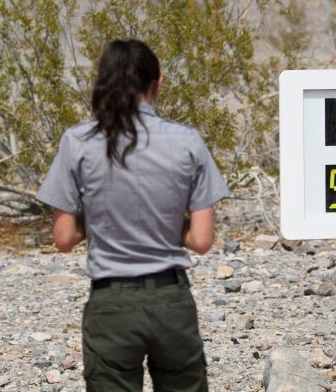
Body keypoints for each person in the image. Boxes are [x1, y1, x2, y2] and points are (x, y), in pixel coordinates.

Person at [37, 39, 229, 392]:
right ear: (156, 83)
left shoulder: (77, 141)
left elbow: (64, 239)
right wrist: (167, 218)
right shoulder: (187, 141)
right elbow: (201, 241)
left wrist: (98, 213)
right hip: (171, 300)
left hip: (111, 303)